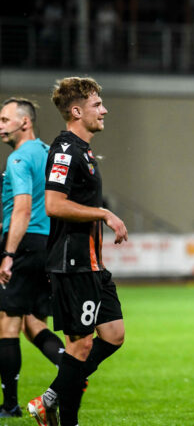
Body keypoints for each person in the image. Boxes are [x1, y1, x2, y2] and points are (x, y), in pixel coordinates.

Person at [28, 77, 128, 426]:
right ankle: (60, 413)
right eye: (97, 104)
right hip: (72, 263)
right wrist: (103, 212)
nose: (104, 110)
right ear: (76, 110)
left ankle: (54, 396)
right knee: (80, 347)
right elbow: (53, 205)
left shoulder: (83, 151)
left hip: (91, 263)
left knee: (113, 335)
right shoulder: (65, 150)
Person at [0, 98, 65, 418]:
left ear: (24, 122)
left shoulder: (18, 158)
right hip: (48, 245)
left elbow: (23, 209)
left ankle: (9, 406)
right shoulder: (47, 152)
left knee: (7, 324)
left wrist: (8, 254)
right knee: (32, 322)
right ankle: (71, 371)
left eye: (4, 119)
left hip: (24, 246)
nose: (0, 126)